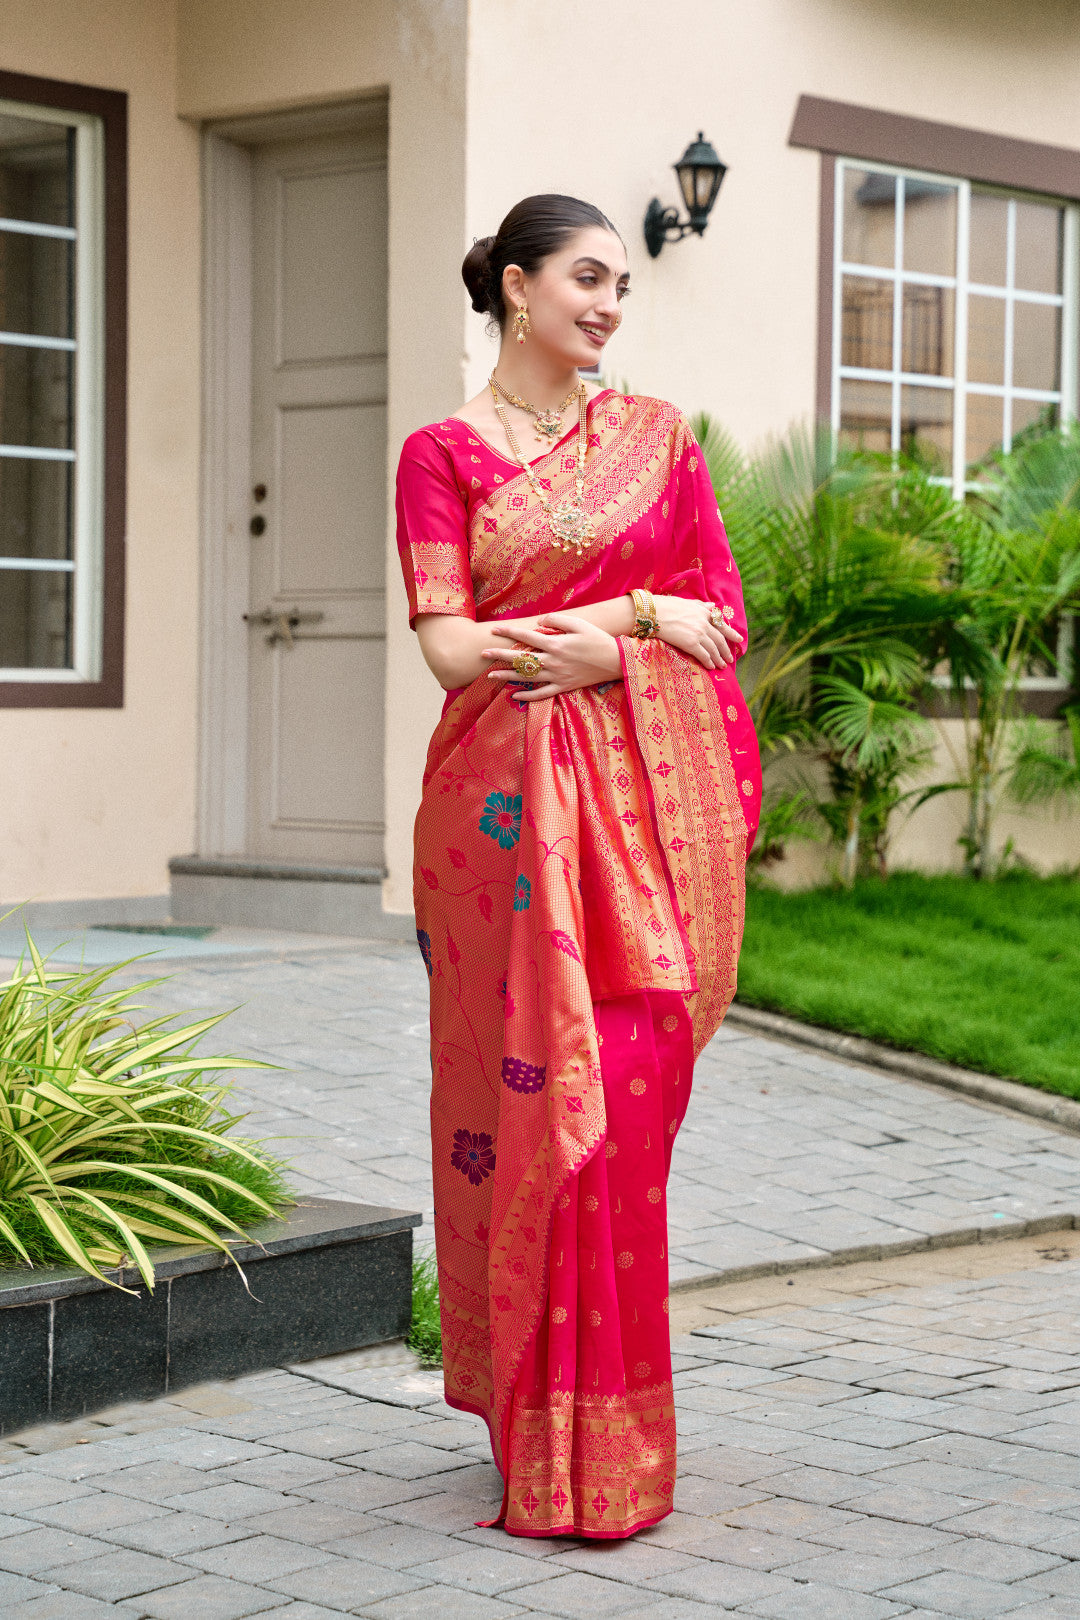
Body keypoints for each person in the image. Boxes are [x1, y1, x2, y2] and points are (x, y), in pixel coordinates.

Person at [395, 194, 760, 1540]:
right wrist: (630, 616)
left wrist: (627, 642)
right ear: (514, 286)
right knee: (529, 1111)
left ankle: (608, 1446)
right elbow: (446, 648)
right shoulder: (441, 453)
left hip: (641, 823)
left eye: (620, 283)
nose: (610, 303)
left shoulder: (660, 445)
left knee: (626, 1105)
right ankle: (533, 1439)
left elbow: (720, 623)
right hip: (496, 830)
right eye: (587, 278)